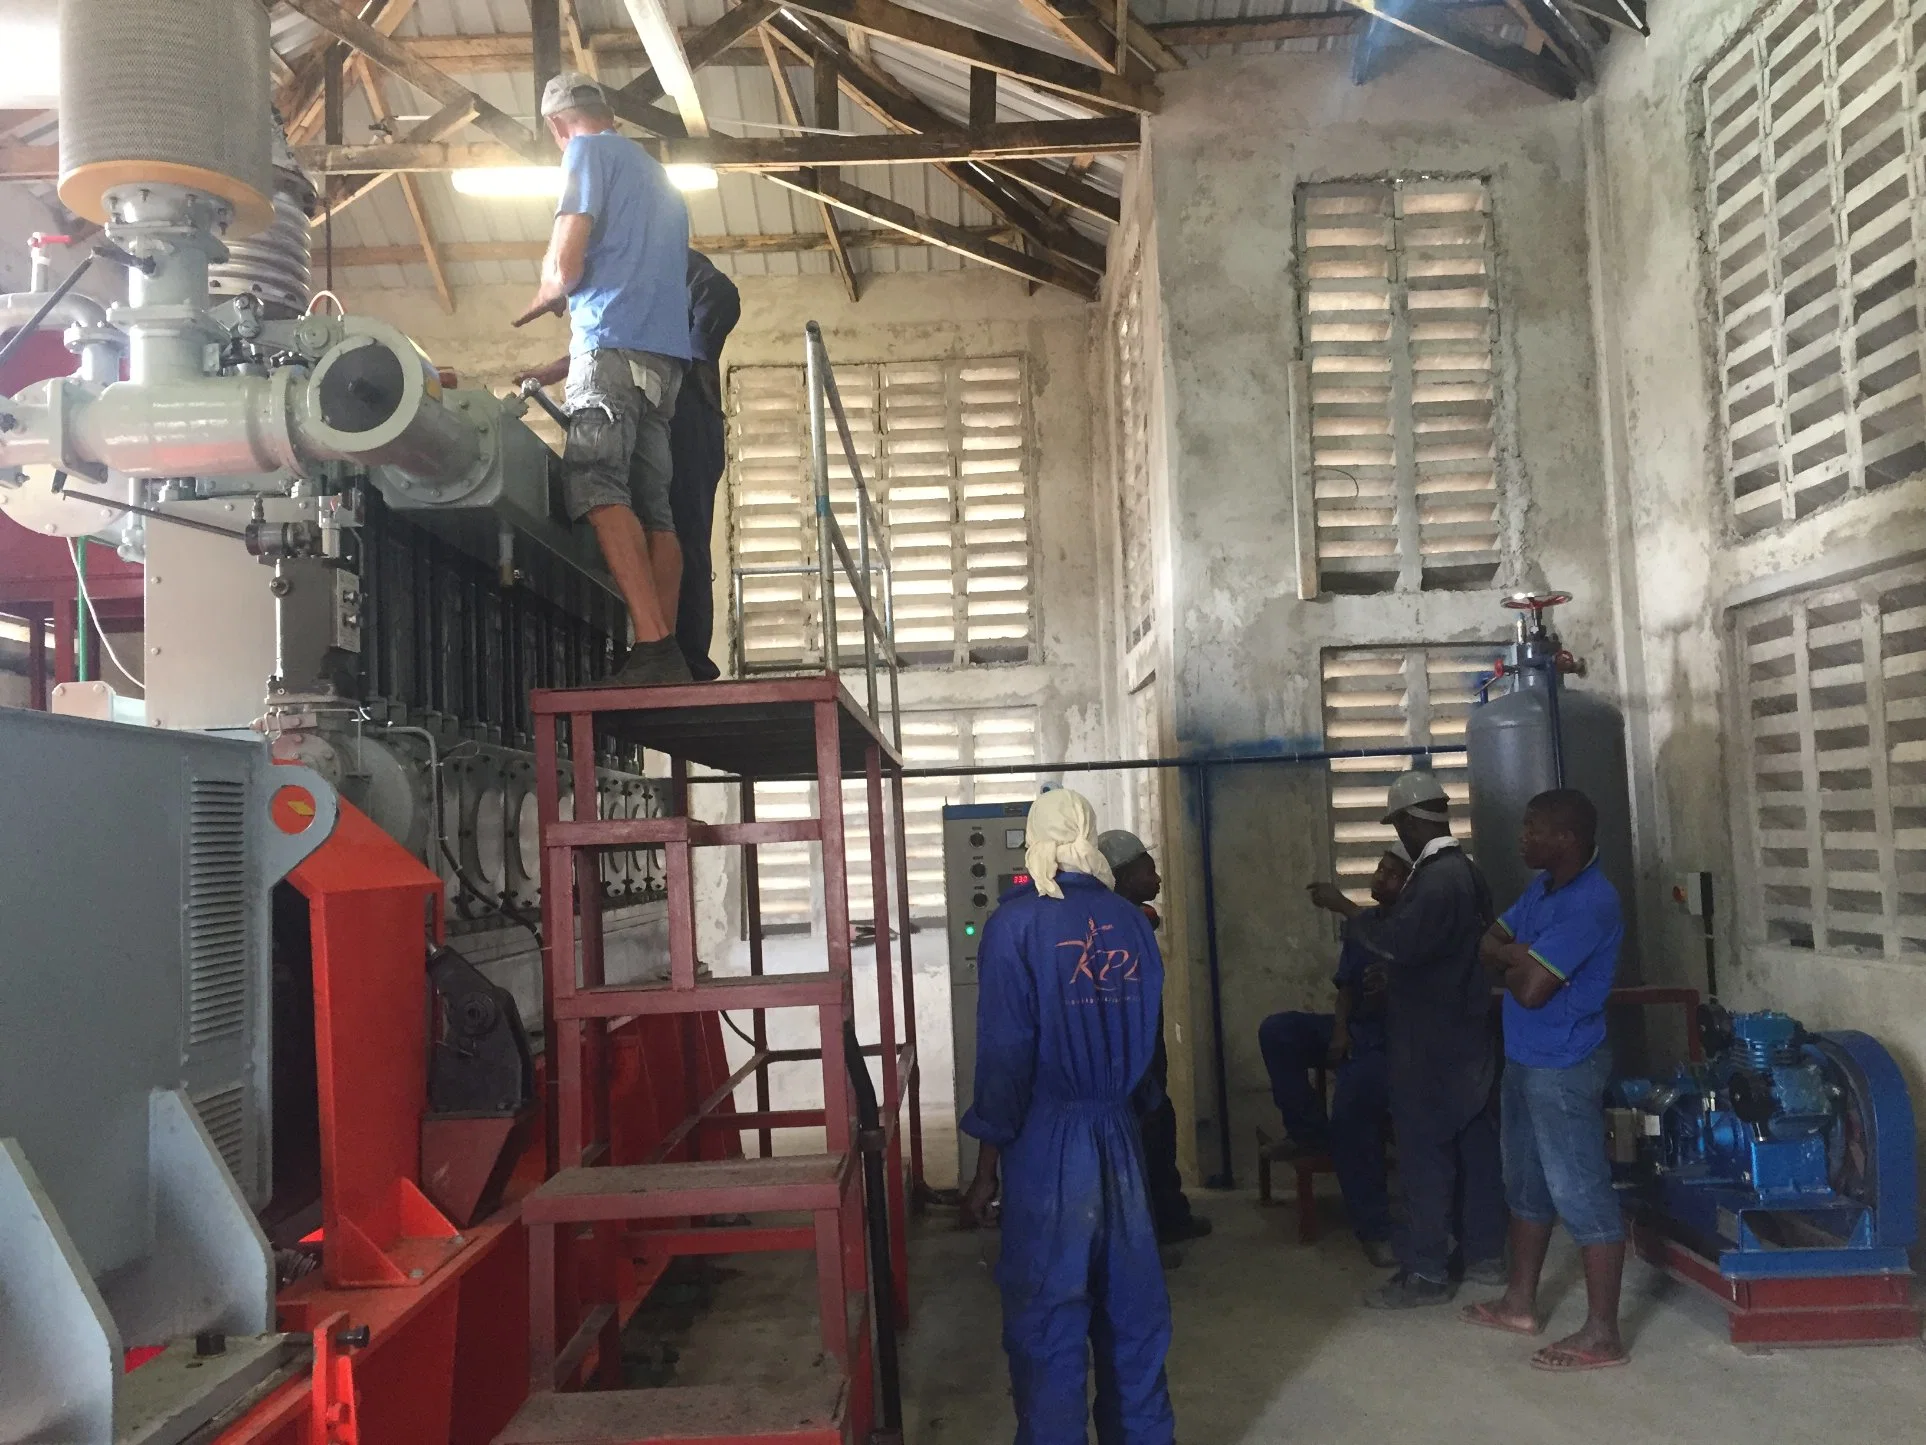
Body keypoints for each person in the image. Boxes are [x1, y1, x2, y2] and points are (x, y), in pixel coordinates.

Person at [962, 790, 1176, 1445]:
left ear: (1038, 842)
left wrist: (986, 1165)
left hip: (1049, 1145)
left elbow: (1005, 1055)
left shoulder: (1014, 926)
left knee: (1049, 1317)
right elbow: (1150, 1055)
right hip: (1120, 1141)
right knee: (1132, 1314)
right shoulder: (1134, 921)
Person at [512, 71, 695, 686]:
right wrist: (563, 365)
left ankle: (651, 646)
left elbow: (568, 265)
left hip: (612, 356)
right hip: (662, 369)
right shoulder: (664, 184)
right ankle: (663, 652)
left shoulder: (587, 153)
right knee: (657, 510)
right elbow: (637, 295)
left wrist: (548, 289)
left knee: (593, 484)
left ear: (558, 127)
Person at [1310, 770, 1505, 1308]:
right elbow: (1450, 951)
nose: (1399, 836)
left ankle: (1426, 1273)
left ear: (1415, 820)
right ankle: (1486, 1255)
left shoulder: (1439, 880)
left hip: (1429, 1044)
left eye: (1399, 824)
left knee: (1424, 1153)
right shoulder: (1468, 873)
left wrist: (1348, 912)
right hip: (1466, 1033)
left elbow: (1400, 943)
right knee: (1474, 1145)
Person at [1462, 788, 1628, 1371]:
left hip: (1565, 1064)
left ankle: (1603, 1334)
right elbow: (1489, 942)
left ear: (1567, 839)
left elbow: (1531, 992)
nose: (1522, 838)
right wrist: (1521, 955)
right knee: (1526, 1186)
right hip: (1526, 1060)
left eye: (1533, 829)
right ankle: (1519, 1303)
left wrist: (1518, 960)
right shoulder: (1542, 890)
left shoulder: (1590, 903)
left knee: (1581, 1192)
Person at [1259, 843, 1410, 1268]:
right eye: (1379, 869)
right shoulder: (1368, 923)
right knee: (1279, 1031)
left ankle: (1376, 1229)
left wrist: (1343, 905)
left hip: (1393, 1043)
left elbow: (1396, 958)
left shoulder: (1413, 925)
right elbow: (1346, 985)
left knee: (1353, 1107)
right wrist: (1340, 1032)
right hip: (1358, 1030)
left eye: (1392, 873)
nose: (1379, 877)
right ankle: (1308, 1131)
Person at [1097, 829, 1212, 1251]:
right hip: (1130, 1054)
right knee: (1143, 1139)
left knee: (1159, 1130)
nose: (1158, 879)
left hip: (1146, 1046)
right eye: (1148, 871)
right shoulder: (1119, 921)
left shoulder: (1130, 915)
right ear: (1123, 876)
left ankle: (1169, 1218)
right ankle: (1148, 1237)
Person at [669, 250, 741, 681]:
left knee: (684, 532)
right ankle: (659, 647)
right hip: (656, 414)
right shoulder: (625, 277)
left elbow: (720, 294)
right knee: (657, 531)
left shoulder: (666, 258)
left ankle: (690, 656)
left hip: (688, 412)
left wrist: (691, 357)